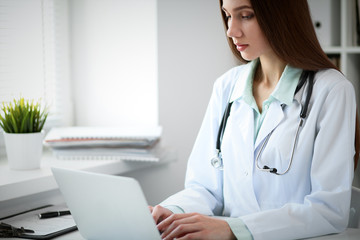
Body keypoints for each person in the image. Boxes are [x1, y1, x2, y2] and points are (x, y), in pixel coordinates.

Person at [150, 0, 358, 239]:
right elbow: (205, 188)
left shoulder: (331, 90)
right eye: (227, 16)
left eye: (246, 16)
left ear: (282, 16)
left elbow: (329, 210)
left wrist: (234, 229)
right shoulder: (227, 86)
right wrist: (170, 212)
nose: (231, 30)